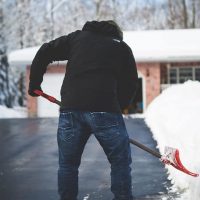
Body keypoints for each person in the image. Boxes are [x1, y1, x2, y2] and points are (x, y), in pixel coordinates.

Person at [28, 20, 138, 200]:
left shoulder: (77, 38)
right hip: (105, 110)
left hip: (71, 109)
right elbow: (130, 83)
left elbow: (45, 50)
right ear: (116, 34)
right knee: (120, 162)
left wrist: (34, 83)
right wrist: (118, 106)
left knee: (68, 165)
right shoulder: (121, 48)